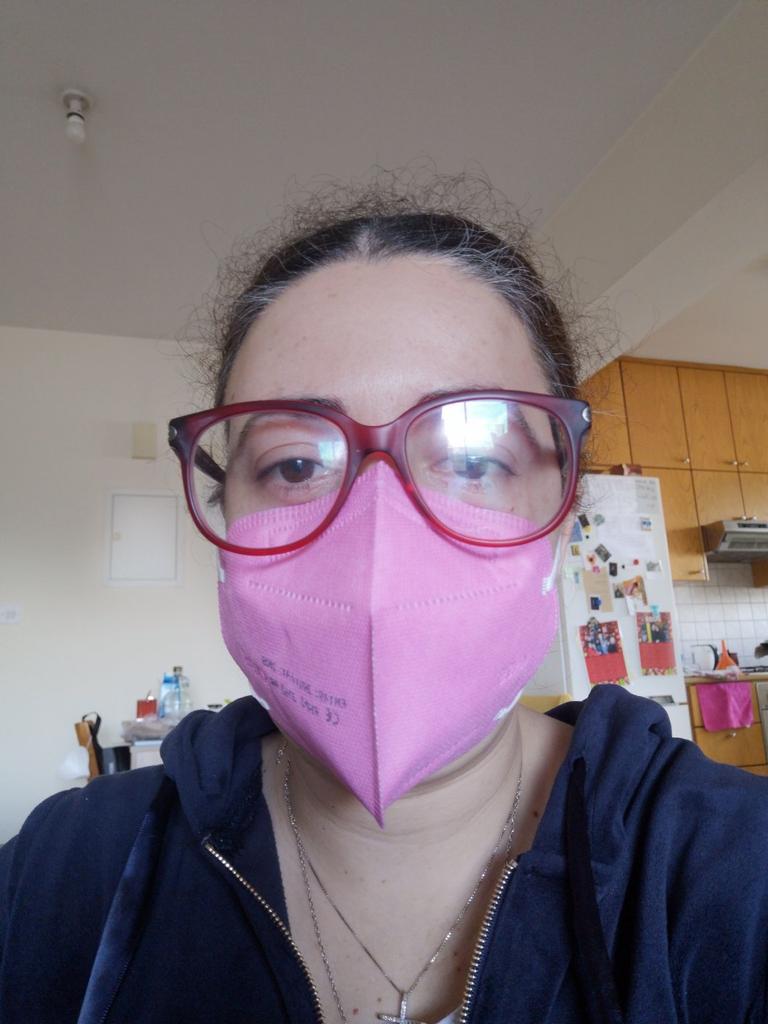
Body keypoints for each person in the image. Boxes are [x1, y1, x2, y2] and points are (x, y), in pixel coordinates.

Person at [2, 180, 767, 1024]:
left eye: (472, 460)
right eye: (296, 464)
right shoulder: (62, 876)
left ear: (566, 502)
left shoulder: (734, 875)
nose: (378, 539)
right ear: (224, 507)